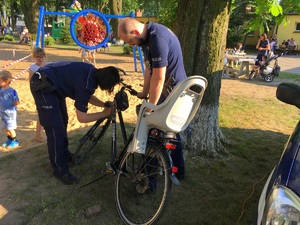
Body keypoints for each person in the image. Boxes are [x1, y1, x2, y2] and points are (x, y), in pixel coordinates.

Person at [118, 17, 186, 180]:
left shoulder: (158, 38)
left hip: (172, 91)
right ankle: (178, 171)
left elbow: (159, 78)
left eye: (130, 40)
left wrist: (150, 107)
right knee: (169, 133)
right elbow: (149, 70)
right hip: (167, 90)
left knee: (151, 130)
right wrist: (144, 93)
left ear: (135, 32)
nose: (130, 44)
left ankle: (149, 181)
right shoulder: (145, 39)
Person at [30, 63, 120, 185]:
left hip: (53, 83)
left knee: (63, 120)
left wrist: (104, 105)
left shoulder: (92, 72)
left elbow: (86, 96)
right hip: (42, 84)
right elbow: (82, 118)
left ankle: (64, 153)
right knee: (55, 128)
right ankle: (61, 171)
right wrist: (104, 114)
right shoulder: (85, 83)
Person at [28, 47, 49, 142]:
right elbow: (31, 82)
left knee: (49, 112)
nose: (40, 58)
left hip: (49, 91)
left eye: (42, 56)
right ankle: (38, 135)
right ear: (34, 57)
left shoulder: (49, 65)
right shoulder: (32, 68)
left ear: (45, 57)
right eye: (37, 57)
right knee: (41, 113)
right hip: (39, 92)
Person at [0, 70, 20, 148]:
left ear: (6, 81)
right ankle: (9, 139)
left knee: (10, 128)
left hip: (10, 114)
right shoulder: (1, 88)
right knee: (5, 128)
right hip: (2, 113)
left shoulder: (13, 91)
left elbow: (17, 100)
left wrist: (16, 102)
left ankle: (15, 140)